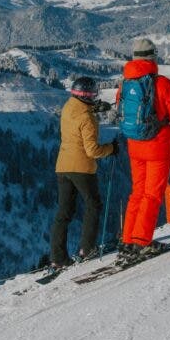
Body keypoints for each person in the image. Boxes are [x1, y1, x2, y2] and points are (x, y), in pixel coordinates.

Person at [117, 38, 170, 261]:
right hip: (158, 146)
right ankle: (141, 241)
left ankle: (128, 239)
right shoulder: (162, 84)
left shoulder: (124, 84)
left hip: (134, 146)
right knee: (152, 195)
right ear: (153, 57)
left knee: (137, 192)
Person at [50, 77, 118, 269]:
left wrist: (94, 108)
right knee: (93, 205)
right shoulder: (87, 118)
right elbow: (92, 151)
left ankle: (57, 258)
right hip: (82, 167)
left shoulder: (68, 108)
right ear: (88, 95)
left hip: (63, 166)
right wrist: (111, 148)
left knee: (64, 213)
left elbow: (80, 113)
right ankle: (87, 249)